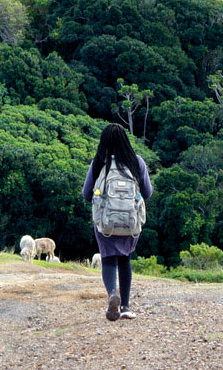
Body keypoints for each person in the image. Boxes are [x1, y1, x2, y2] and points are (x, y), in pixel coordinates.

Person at [82, 123, 153, 321]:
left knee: (108, 259)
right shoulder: (136, 162)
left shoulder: (98, 163)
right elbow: (147, 192)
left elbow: (86, 194)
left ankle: (112, 293)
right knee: (125, 259)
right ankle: (126, 306)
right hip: (131, 224)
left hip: (105, 224)